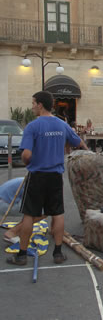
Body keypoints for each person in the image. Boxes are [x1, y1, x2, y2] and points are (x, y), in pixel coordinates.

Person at [6, 91, 88, 266]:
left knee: (30, 214)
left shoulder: (33, 127)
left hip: (37, 176)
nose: (32, 106)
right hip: (55, 176)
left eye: (34, 103)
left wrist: (30, 161)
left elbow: (26, 154)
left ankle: (21, 255)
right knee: (57, 214)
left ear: (40, 104)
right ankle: (57, 253)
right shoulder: (62, 125)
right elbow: (78, 143)